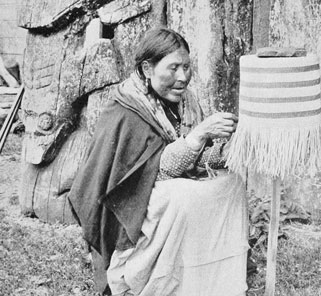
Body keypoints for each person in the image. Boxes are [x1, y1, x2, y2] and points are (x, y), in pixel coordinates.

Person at [69, 27, 249, 296]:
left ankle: (210, 281)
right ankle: (151, 279)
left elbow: (197, 160)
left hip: (167, 191)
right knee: (181, 195)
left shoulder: (185, 102)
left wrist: (232, 151)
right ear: (146, 68)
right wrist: (200, 134)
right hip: (128, 202)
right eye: (173, 68)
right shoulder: (126, 109)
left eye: (187, 67)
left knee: (232, 185)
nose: (183, 77)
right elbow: (156, 171)